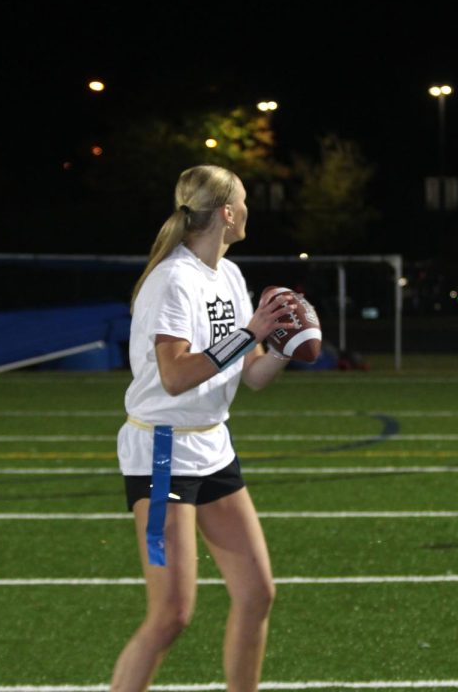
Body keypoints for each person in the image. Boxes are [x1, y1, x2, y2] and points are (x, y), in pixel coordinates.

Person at [109, 165, 296, 692]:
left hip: (213, 445)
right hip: (162, 454)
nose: (250, 212)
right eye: (245, 202)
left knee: (257, 593)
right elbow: (174, 376)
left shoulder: (230, 275)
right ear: (228, 213)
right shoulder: (173, 279)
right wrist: (249, 332)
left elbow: (253, 374)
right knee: (171, 615)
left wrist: (282, 344)